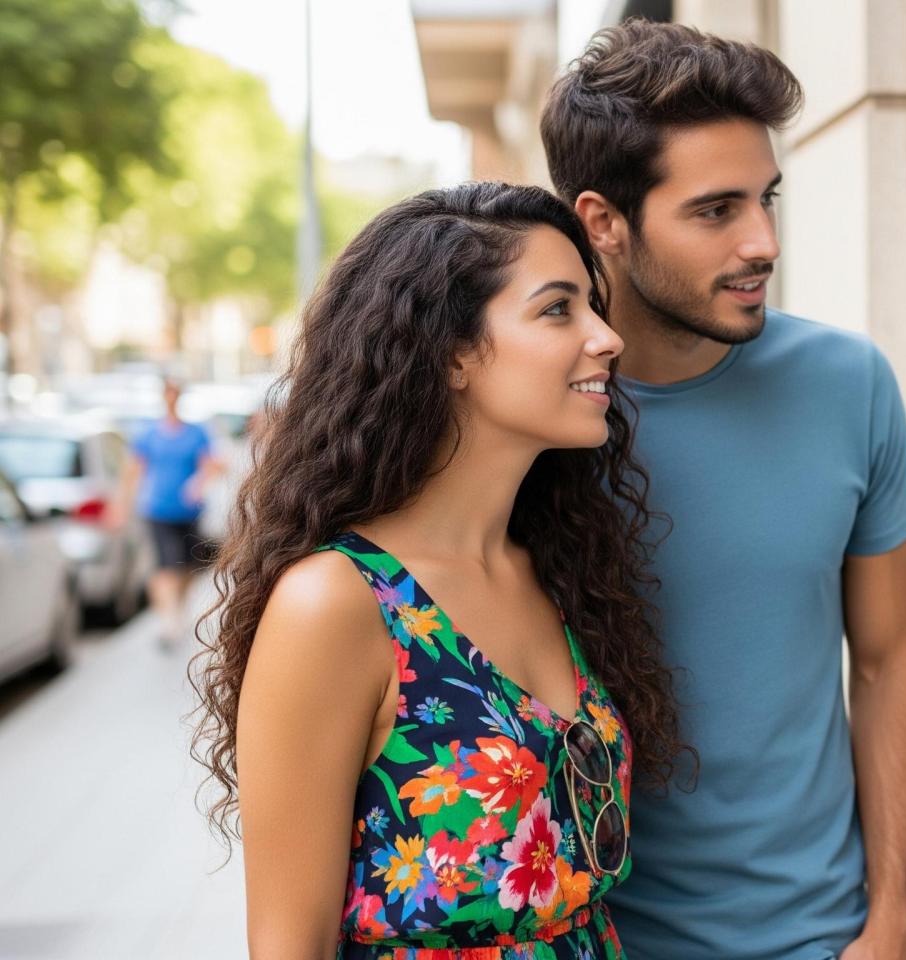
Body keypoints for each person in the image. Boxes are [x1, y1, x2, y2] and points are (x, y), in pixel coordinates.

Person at [190, 182, 688, 958]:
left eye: (593, 305)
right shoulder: (336, 603)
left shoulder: (558, 572)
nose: (606, 336)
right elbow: (290, 944)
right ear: (451, 355)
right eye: (559, 309)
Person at [541, 21, 906, 960]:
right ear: (604, 221)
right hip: (593, 939)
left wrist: (896, 920)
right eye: (716, 210)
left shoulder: (850, 384)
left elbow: (887, 660)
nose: (763, 241)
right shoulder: (537, 417)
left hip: (821, 936)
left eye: (767, 199)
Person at [111, 377, 219, 646]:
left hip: (189, 511)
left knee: (188, 567)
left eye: (175, 393)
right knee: (166, 566)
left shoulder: (196, 433)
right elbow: (132, 471)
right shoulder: (149, 434)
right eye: (168, 393)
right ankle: (168, 621)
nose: (172, 398)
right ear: (163, 397)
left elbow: (211, 465)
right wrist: (121, 505)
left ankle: (176, 612)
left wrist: (198, 483)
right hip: (157, 510)